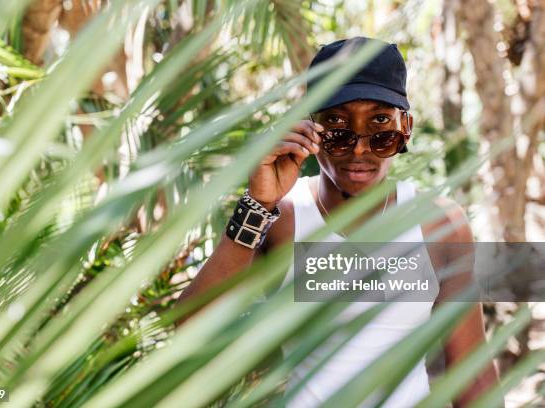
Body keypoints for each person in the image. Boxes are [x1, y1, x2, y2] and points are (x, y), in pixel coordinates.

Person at [177, 37, 498, 407]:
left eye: (380, 123)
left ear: (405, 128)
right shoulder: (281, 217)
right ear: (309, 129)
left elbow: (471, 373)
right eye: (337, 124)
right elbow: (190, 331)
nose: (359, 149)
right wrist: (259, 203)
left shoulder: (438, 223)